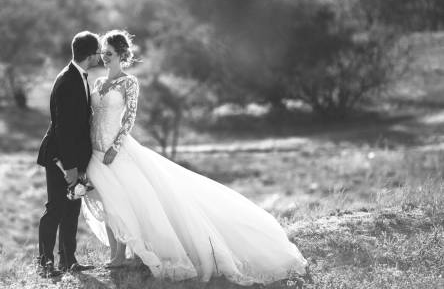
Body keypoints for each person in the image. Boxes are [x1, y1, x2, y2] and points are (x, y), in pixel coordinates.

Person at [82, 29, 308, 285]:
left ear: (121, 55)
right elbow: (91, 117)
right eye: (103, 53)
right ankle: (116, 254)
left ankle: (122, 254)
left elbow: (129, 118)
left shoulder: (129, 82)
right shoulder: (98, 83)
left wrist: (114, 147)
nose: (105, 57)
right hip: (95, 152)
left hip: (117, 151)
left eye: (109, 53)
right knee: (109, 202)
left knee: (124, 202)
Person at [36, 31, 100, 277]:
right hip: (59, 158)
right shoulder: (67, 81)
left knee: (72, 207)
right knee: (55, 208)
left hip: (75, 158)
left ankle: (68, 260)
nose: (99, 57)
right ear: (89, 55)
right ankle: (44, 263)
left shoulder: (80, 76)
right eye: (97, 53)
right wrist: (71, 167)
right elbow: (63, 128)